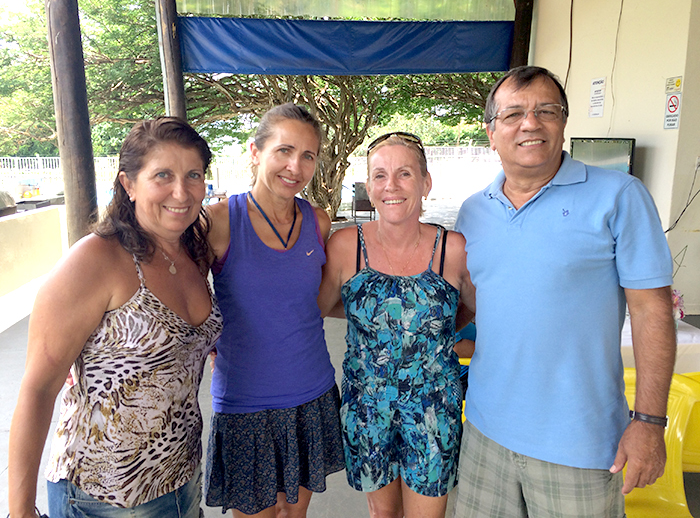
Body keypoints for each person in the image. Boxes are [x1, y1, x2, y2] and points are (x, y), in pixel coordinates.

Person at [452, 65, 676, 517]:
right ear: (491, 133)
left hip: (580, 444)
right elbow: (474, 305)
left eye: (546, 111)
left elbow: (652, 311)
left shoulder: (620, 196)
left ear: (563, 122)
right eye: (513, 114)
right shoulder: (473, 212)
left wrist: (649, 422)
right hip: (484, 432)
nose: (530, 124)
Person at [8, 117, 223, 518]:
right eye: (163, 175)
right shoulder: (95, 260)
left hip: (180, 478)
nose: (181, 191)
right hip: (104, 495)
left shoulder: (191, 250)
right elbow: (38, 388)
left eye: (193, 175)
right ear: (129, 184)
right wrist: (20, 510)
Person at [318, 131, 475, 518]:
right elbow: (317, 309)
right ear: (369, 187)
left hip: (433, 409)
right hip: (367, 407)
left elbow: (469, 310)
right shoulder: (345, 246)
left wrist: (429, 331)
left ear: (425, 183)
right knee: (382, 515)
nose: (391, 185)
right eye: (380, 175)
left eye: (404, 173)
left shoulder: (454, 249)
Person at [205, 103, 345, 518]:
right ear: (255, 151)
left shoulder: (318, 221)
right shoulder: (218, 221)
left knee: (293, 515)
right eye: (284, 150)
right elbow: (180, 295)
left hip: (311, 393)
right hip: (245, 402)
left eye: (308, 155)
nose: (295, 167)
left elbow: (317, 302)